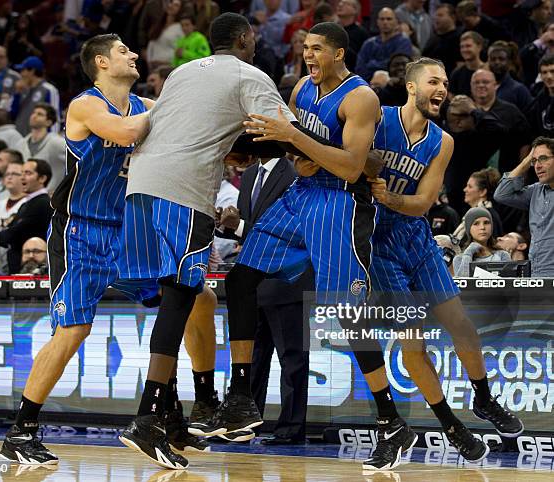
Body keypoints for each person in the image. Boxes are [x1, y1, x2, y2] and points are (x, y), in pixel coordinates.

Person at [196, 22, 412, 472]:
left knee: (347, 315)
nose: (308, 56)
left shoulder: (360, 97)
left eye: (316, 49)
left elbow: (353, 167)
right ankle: (240, 396)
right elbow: (297, 153)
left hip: (340, 204)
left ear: (337, 53)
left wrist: (298, 143)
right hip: (300, 197)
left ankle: (391, 422)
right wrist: (257, 145)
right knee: (240, 278)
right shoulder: (300, 91)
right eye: (304, 48)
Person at [117, 13, 328, 470]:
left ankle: (172, 416)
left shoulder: (180, 73)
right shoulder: (248, 73)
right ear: (247, 39)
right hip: (183, 188)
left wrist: (238, 145)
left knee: (178, 297)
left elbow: (204, 130)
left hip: (138, 186)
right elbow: (283, 131)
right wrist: (323, 152)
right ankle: (148, 417)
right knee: (179, 296)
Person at [0, 33, 217, 467]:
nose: (134, 54)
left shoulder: (146, 106)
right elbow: (126, 131)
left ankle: (180, 415)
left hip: (127, 230)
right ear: (101, 61)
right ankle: (21, 431)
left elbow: (183, 122)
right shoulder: (86, 105)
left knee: (195, 299)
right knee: (73, 332)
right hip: (80, 231)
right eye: (123, 51)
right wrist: (171, 112)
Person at [369, 57, 523, 464]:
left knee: (462, 326)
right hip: (377, 245)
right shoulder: (377, 119)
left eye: (445, 83)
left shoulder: (443, 141)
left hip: (415, 240)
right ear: (412, 87)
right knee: (412, 343)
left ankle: (484, 399)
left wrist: (387, 196)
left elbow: (421, 204)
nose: (442, 89)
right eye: (433, 81)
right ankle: (450, 426)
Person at [217, 157, 313, 444]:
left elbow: (289, 230)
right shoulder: (248, 177)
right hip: (253, 281)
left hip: (288, 279)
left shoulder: (295, 173)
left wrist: (241, 224)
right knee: (253, 359)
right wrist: (226, 224)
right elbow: (246, 231)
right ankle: (245, 424)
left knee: (292, 359)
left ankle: (291, 429)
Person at [494, 136, 554, 276]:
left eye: (543, 158)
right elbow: (501, 194)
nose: (537, 166)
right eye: (534, 161)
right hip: (536, 270)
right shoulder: (535, 191)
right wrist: (526, 162)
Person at [0, 159, 54, 274]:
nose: (22, 177)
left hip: (34, 270)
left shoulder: (42, 203)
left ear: (42, 178)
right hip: (20, 269)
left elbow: (12, 235)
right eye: (22, 173)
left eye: (28, 173)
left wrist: (4, 233)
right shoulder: (27, 203)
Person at [16, 103, 65, 192]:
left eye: (40, 114)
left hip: (51, 195)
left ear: (49, 122)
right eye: (33, 113)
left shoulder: (57, 142)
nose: (34, 116)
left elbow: (77, 161)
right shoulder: (21, 144)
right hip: (26, 195)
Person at [355, 8, 413, 82]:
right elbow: (359, 69)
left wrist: (371, 64)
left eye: (389, 19)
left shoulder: (403, 42)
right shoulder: (369, 43)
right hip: (367, 85)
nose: (385, 22)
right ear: (377, 22)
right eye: (382, 19)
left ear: (396, 22)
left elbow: (397, 67)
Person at [452, 207, 512, 276]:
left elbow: (508, 284)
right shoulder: (459, 259)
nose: (482, 227)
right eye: (476, 223)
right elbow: (463, 284)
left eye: (486, 223)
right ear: (469, 229)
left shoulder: (502, 255)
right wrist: (468, 254)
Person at [13, 56, 61, 135]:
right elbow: (12, 115)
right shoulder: (22, 90)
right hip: (20, 139)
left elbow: (55, 118)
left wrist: (51, 137)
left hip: (39, 139)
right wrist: (17, 94)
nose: (21, 74)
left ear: (32, 71)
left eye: (23, 70)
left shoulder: (48, 89)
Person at [453, 167, 504, 240]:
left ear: (482, 192)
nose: (465, 190)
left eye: (470, 187)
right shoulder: (474, 213)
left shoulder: (487, 216)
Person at [448, 31, 486, 98]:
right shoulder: (456, 73)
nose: (464, 50)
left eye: (468, 46)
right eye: (462, 47)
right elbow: (452, 99)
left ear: (479, 47)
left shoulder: (489, 71)